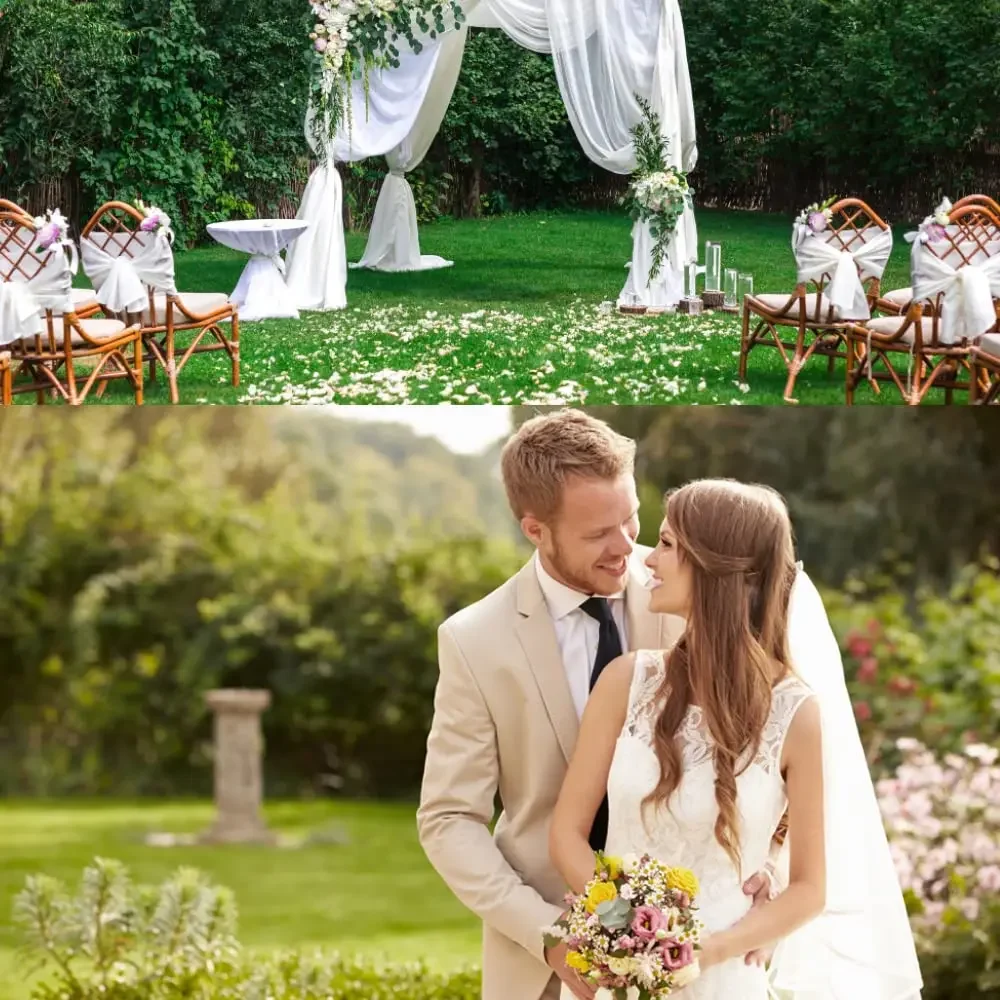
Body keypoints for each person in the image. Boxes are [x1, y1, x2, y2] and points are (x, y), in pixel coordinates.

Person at [416, 412, 787, 1000]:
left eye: (632, 518)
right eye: (597, 535)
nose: (627, 549)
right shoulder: (474, 640)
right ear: (536, 530)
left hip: (702, 957)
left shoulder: (691, 590)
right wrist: (551, 935)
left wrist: (771, 863)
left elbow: (771, 744)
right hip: (540, 966)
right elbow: (447, 820)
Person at [548, 479, 922, 1000]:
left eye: (669, 544)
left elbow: (810, 889)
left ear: (714, 567)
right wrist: (626, 925)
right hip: (615, 972)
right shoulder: (625, 681)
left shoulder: (796, 713)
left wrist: (703, 952)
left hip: (722, 979)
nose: (648, 560)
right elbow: (566, 832)